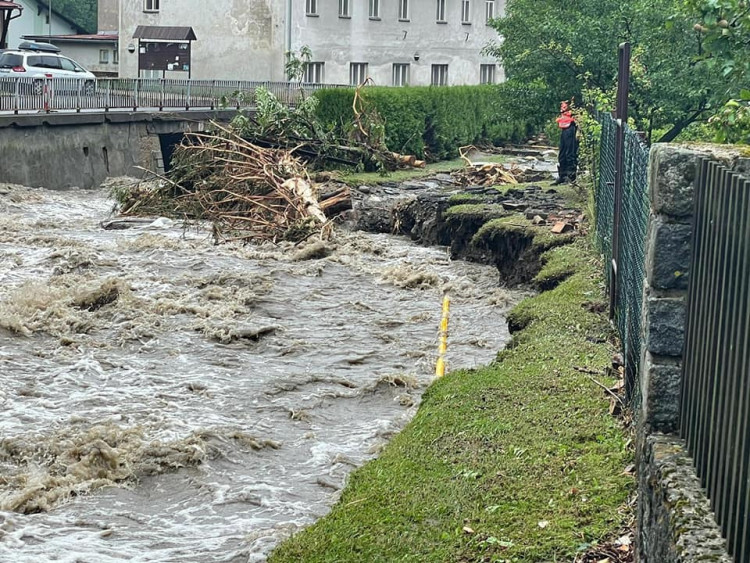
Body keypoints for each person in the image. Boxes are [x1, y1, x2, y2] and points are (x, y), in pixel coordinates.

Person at [554, 100, 579, 185]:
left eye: (564, 107)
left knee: (570, 153)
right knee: (562, 153)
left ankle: (571, 177)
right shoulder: (563, 115)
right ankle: (562, 176)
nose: (562, 109)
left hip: (570, 130)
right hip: (564, 130)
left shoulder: (573, 116)